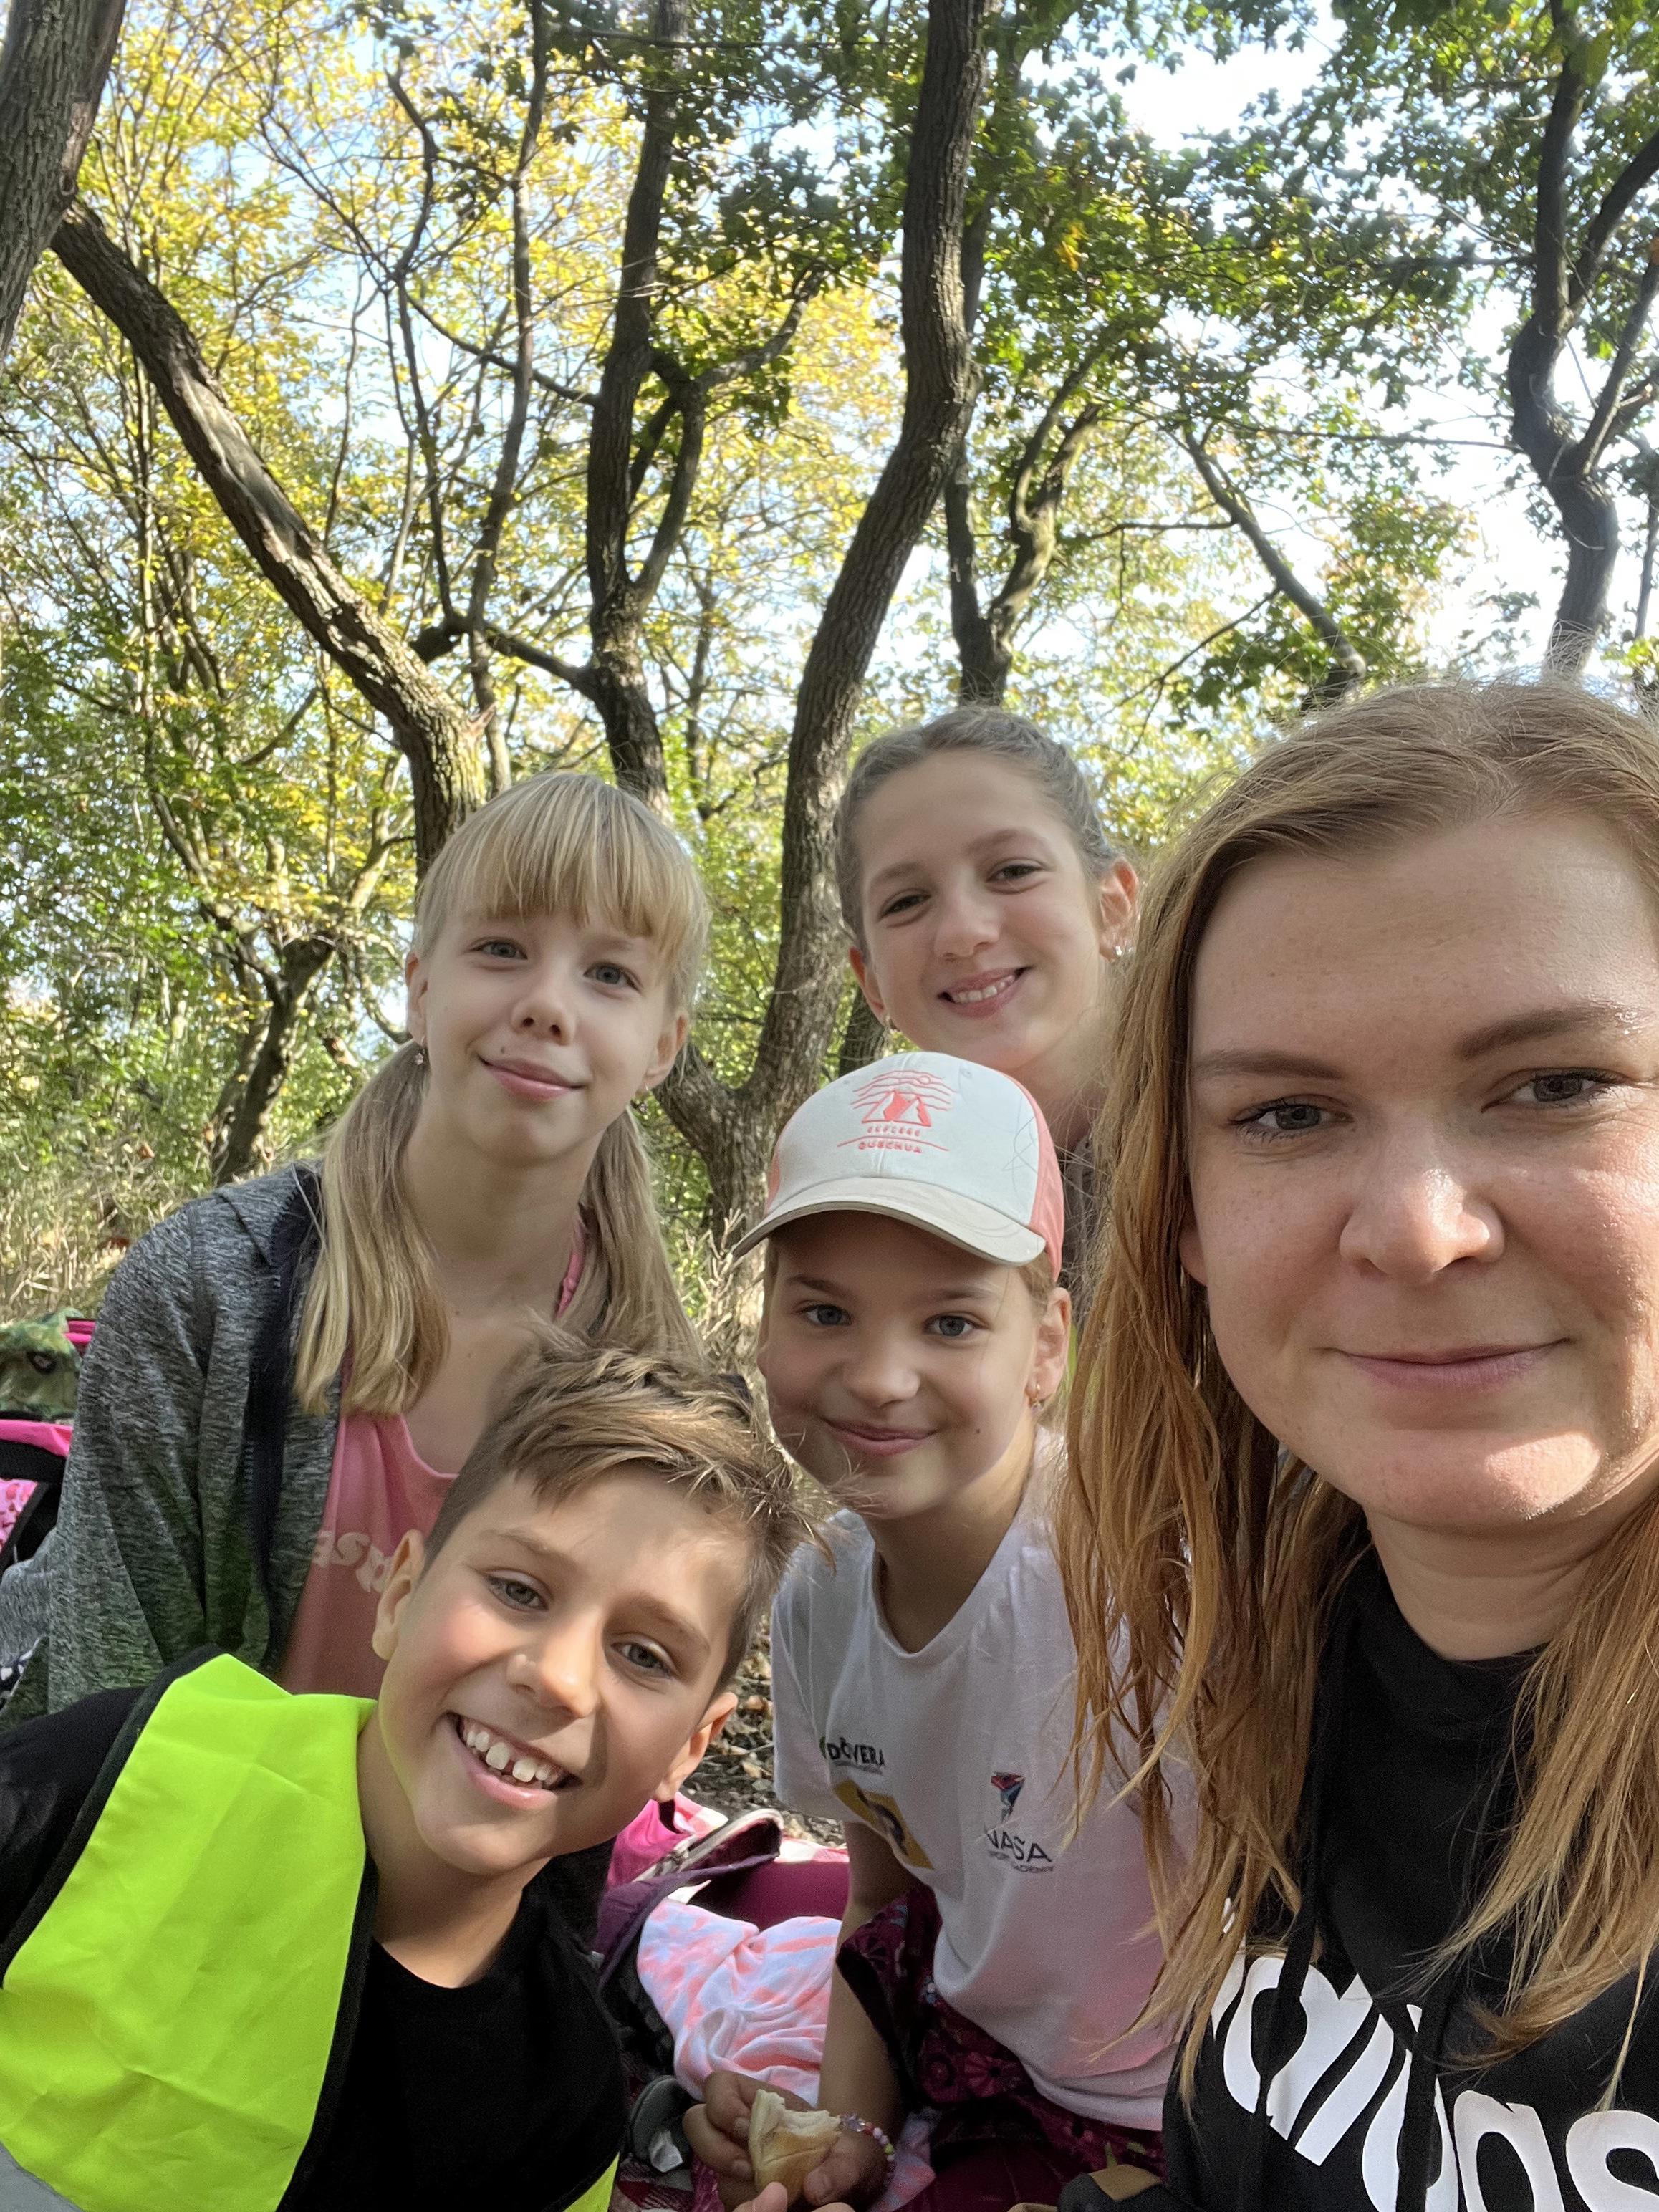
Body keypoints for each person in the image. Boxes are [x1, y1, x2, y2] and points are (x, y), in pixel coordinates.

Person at [1059, 680, 1659, 2212]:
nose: (1413, 1227)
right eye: (1287, 1114)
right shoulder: (1283, 1642)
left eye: (1556, 1085)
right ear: (1182, 1217)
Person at [0, 1337, 813, 2212]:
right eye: (519, 1590)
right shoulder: (125, 1766)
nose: (559, 1678)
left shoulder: (564, 2095)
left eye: (644, 1654)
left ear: (693, 1746)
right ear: (399, 1595)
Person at [0, 771, 706, 1737]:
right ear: (420, 988)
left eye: (611, 974)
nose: (548, 1004)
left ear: (663, 1046)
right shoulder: (203, 1288)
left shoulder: (657, 1387)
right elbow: (105, 1703)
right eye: (502, 949)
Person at [686, 1050, 1173, 2212]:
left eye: (951, 1321)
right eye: (823, 1312)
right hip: (981, 2065)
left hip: (1189, 2107)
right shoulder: (818, 1591)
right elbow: (883, 1906)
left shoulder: (1150, 1590)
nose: (879, 1378)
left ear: (1046, 1346)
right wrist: (846, 2130)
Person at [834, 708, 1136, 1284]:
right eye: (906, 902)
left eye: (1013, 871)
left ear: (1114, 905)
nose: (962, 932)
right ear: (871, 981)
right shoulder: (866, 1214)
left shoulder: (1248, 1133)